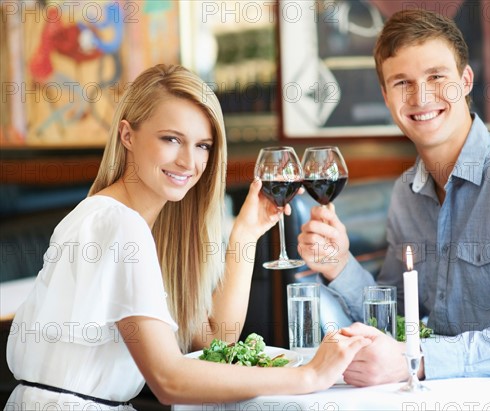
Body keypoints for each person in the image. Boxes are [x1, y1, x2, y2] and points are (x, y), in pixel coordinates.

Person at [5, 64, 370, 410]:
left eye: (203, 146)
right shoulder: (118, 225)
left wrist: (245, 234)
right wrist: (308, 376)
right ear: (127, 135)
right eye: (171, 139)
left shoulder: (128, 224)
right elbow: (169, 381)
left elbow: (214, 340)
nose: (188, 162)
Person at [297, 9, 490, 410]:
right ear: (386, 97)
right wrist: (339, 264)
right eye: (403, 83)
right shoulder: (407, 193)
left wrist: (415, 362)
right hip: (440, 398)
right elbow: (402, 316)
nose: (421, 97)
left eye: (436, 77)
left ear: (465, 81)